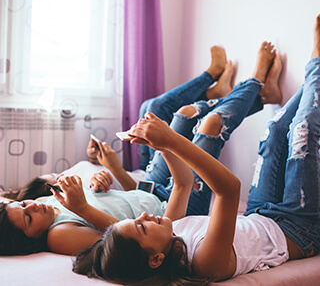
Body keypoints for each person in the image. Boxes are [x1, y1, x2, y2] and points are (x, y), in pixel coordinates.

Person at [71, 15, 320, 285]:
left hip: (260, 213)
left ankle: (311, 75)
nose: (143, 216)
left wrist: (161, 144)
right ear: (155, 260)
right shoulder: (204, 264)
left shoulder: (170, 235)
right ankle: (316, 64)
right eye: (141, 226)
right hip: (297, 229)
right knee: (301, 130)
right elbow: (229, 189)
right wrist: (170, 141)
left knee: (274, 130)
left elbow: (183, 182)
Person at [0, 46, 239, 256]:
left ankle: (217, 88)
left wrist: (98, 182)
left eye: (23, 205)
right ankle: (250, 89)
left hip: (147, 191)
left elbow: (105, 203)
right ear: (29, 242)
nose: (31, 206)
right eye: (28, 218)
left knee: (154, 110)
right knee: (205, 126)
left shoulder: (45, 201)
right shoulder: (57, 235)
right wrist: (112, 170)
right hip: (161, 207)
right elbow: (121, 238)